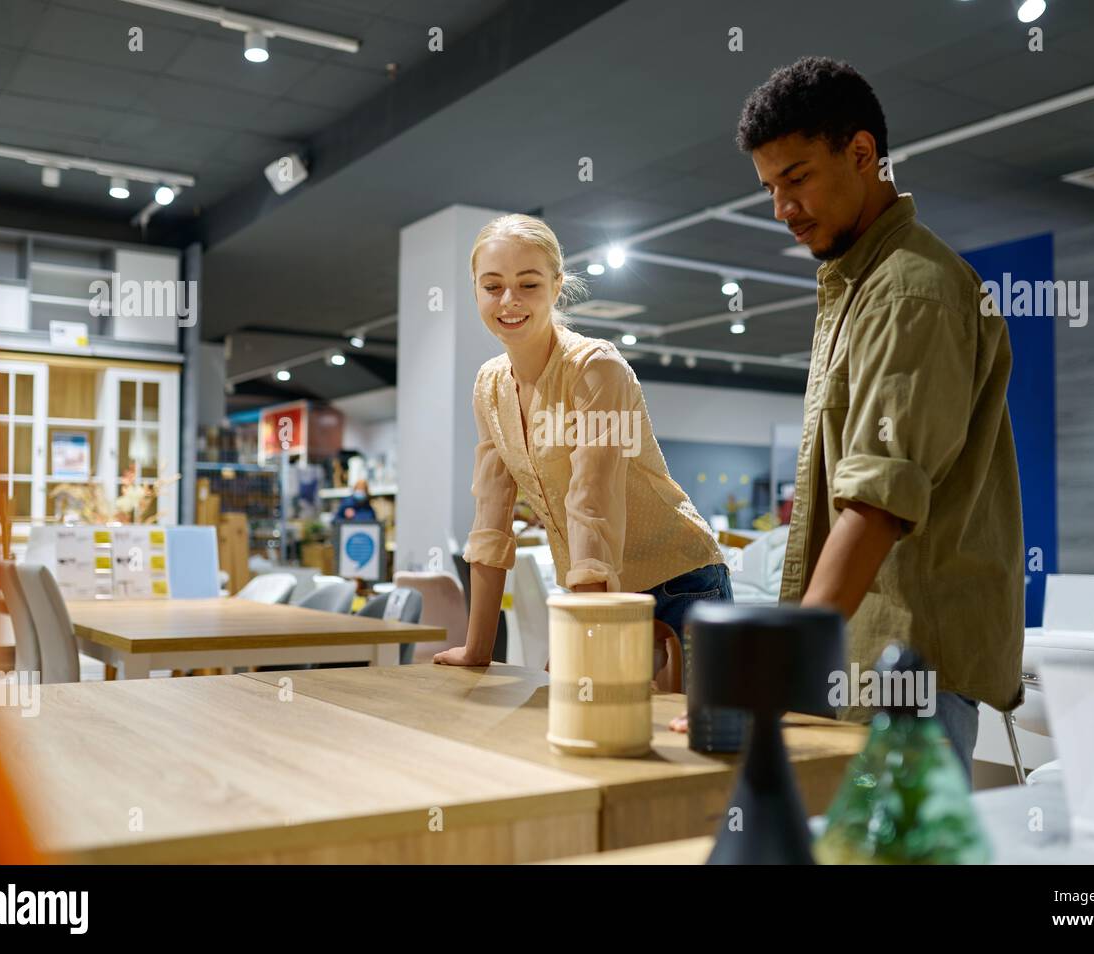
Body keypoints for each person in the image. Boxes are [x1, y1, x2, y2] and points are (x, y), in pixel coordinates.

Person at [735, 56, 1025, 782]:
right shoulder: (859, 288)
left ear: (861, 154)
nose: (782, 207)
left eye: (796, 178)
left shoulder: (910, 292)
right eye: (770, 188)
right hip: (862, 663)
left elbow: (876, 502)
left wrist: (779, 672)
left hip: (904, 674)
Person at [433, 214, 730, 674]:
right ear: (475, 289)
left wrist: (585, 639)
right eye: (492, 286)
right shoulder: (490, 385)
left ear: (556, 286)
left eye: (528, 284)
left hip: (678, 585)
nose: (509, 301)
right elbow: (491, 519)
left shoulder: (595, 368)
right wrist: (478, 651)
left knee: (687, 743)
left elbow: (593, 505)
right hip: (597, 591)